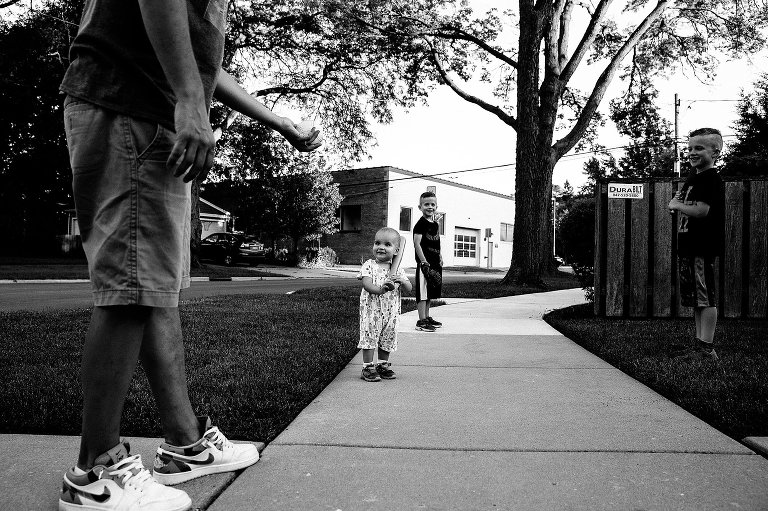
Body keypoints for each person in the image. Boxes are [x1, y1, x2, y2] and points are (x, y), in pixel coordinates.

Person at [57, 1, 321, 510]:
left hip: (152, 111)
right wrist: (188, 102)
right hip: (131, 104)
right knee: (132, 288)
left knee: (156, 290)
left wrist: (275, 120)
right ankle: (95, 473)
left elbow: (202, 61)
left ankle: (185, 446)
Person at [668, 128, 725, 361]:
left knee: (706, 298)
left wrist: (677, 205)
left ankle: (707, 349)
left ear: (716, 153)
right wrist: (677, 206)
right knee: (696, 300)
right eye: (690, 148)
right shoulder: (694, 178)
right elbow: (681, 204)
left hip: (702, 246)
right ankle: (699, 346)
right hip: (689, 246)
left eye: (699, 148)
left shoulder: (711, 178)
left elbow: (701, 211)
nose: (692, 152)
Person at [358, 227, 412, 382]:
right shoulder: (369, 265)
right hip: (371, 311)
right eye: (377, 243)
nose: (381, 247)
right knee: (369, 337)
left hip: (391, 313)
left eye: (387, 244)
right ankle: (367, 367)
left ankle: (382, 365)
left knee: (387, 338)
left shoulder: (397, 270)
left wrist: (401, 280)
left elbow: (409, 288)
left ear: (396, 251)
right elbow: (367, 284)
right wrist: (381, 290)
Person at [413, 191, 443, 332]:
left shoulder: (435, 224)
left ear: (436, 206)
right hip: (425, 264)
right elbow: (417, 244)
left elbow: (437, 241)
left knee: (430, 292)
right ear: (420, 207)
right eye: (426, 204)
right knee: (423, 292)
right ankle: (421, 321)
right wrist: (423, 261)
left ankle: (427, 316)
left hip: (435, 262)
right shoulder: (420, 224)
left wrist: (440, 256)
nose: (430, 207)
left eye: (432, 204)